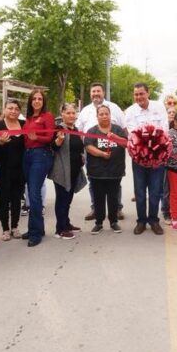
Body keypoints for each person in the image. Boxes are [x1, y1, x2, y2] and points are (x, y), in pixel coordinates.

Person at [124, 82, 169, 235]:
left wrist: (154, 145)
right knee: (140, 192)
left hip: (158, 157)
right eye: (136, 94)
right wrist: (145, 145)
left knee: (156, 191)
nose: (139, 97)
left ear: (148, 93)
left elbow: (164, 129)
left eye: (141, 93)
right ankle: (141, 221)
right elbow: (132, 134)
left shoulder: (159, 107)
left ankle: (154, 220)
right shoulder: (130, 111)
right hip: (139, 158)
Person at [77, 82, 125, 221]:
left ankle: (117, 209)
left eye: (98, 91)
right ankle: (96, 209)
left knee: (115, 183)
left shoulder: (114, 107)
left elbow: (124, 128)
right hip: (92, 153)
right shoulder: (85, 111)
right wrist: (82, 151)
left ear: (103, 92)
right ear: (90, 94)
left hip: (114, 155)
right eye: (93, 91)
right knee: (94, 182)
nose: (96, 94)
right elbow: (79, 131)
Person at [85, 104, 127, 234]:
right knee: (98, 198)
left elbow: (126, 143)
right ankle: (99, 222)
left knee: (113, 198)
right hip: (97, 172)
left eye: (106, 114)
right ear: (97, 116)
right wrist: (102, 154)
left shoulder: (118, 129)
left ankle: (114, 222)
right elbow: (88, 147)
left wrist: (116, 138)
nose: (104, 116)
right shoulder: (91, 131)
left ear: (110, 115)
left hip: (115, 171)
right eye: (101, 114)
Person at [21, 89, 55, 247]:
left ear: (43, 101)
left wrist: (37, 137)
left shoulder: (47, 116)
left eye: (39, 99)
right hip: (27, 155)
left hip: (40, 155)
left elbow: (50, 137)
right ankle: (35, 228)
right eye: (34, 98)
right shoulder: (28, 118)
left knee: (34, 193)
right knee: (30, 192)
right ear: (30, 101)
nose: (36, 101)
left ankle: (35, 233)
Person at [50, 103, 86, 240]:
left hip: (74, 169)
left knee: (68, 199)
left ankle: (66, 223)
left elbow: (78, 148)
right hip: (62, 170)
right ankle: (60, 229)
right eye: (68, 113)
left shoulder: (75, 129)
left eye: (73, 113)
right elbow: (53, 147)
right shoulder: (59, 129)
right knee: (62, 199)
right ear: (62, 114)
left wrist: (81, 157)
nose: (71, 115)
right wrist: (59, 140)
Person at [0, 99, 26, 241]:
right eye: (10, 108)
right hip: (3, 169)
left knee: (16, 199)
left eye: (16, 109)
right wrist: (0, 143)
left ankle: (14, 227)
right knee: (3, 199)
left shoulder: (24, 125)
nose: (13, 111)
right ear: (4, 110)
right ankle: (5, 229)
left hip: (20, 169)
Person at [161, 106, 177, 221]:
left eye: (174, 112)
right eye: (169, 112)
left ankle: (175, 211)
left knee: (175, 189)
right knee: (165, 189)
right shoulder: (163, 128)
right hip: (165, 162)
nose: (171, 114)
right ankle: (166, 211)